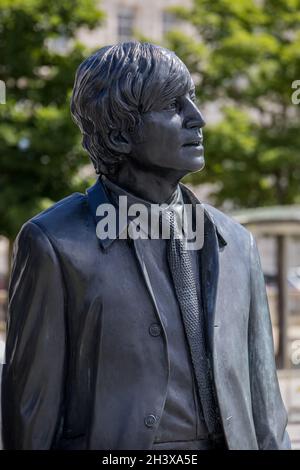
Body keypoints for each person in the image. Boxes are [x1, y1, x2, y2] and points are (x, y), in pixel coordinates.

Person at [1, 42, 290, 450]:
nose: (198, 118)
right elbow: (31, 418)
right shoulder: (55, 245)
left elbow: (267, 412)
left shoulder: (236, 244)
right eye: (174, 105)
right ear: (120, 131)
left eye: (194, 99)